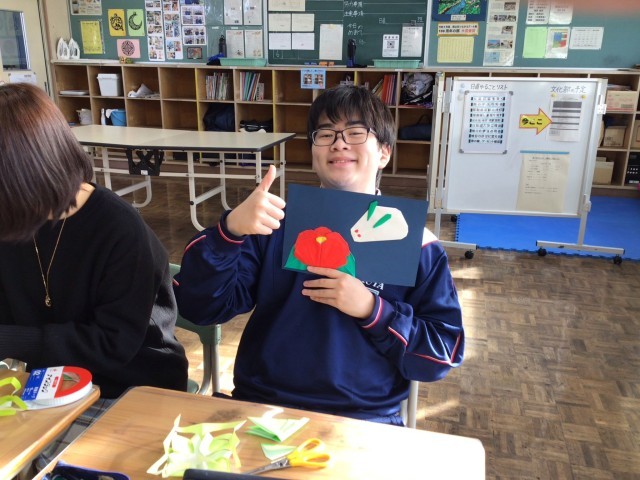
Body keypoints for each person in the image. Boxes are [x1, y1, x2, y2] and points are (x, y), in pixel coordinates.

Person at [174, 84, 464, 425]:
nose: (339, 143)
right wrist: (229, 232)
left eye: (356, 132)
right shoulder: (273, 227)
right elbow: (199, 308)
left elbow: (441, 354)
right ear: (313, 151)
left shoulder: (417, 245)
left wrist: (373, 310)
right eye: (326, 134)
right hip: (263, 406)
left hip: (362, 418)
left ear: (384, 152)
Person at [0, 83, 188, 458]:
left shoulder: (119, 229)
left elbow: (112, 345)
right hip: (48, 381)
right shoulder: (14, 220)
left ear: (26, 175)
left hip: (128, 385)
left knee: (44, 463)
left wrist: (8, 341)